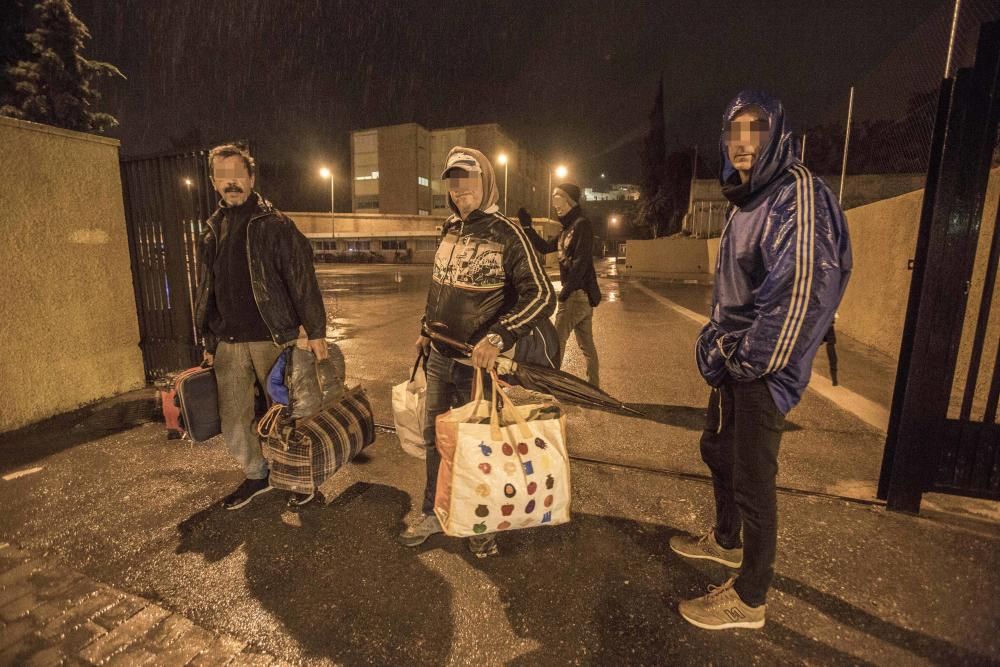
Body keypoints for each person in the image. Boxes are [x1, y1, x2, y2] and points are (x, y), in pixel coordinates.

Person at [671, 91, 852, 629]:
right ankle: (726, 541)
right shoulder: (748, 198)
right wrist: (718, 345)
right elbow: (735, 290)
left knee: (753, 478)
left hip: (761, 368)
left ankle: (750, 598)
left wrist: (747, 361)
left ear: (777, 134)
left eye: (756, 128)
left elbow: (803, 290)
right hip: (736, 361)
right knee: (718, 452)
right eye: (734, 131)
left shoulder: (797, 193)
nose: (744, 141)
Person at [399, 147, 558, 558]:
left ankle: (478, 524)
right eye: (453, 182)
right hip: (439, 358)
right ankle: (433, 510)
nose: (459, 190)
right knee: (436, 441)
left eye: (468, 180)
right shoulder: (449, 229)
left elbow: (541, 295)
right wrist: (425, 329)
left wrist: (499, 337)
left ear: (486, 181)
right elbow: (440, 287)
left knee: (476, 448)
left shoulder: (508, 233)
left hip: (477, 367)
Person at [194, 144, 329, 510]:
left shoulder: (276, 225)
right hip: (229, 342)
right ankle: (257, 474)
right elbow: (208, 288)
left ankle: (303, 479)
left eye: (237, 175)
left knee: (290, 415)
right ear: (213, 182)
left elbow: (302, 281)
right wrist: (209, 339)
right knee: (234, 417)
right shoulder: (212, 229)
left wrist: (315, 332)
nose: (231, 183)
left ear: (251, 178)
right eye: (222, 177)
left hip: (275, 338)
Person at [519, 185, 602, 386]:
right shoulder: (568, 229)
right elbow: (545, 247)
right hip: (579, 297)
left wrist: (565, 292)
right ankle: (594, 386)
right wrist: (527, 227)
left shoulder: (582, 226)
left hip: (575, 295)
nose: (555, 205)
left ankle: (552, 386)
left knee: (554, 343)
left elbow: (581, 263)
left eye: (558, 199)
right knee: (586, 345)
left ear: (570, 201)